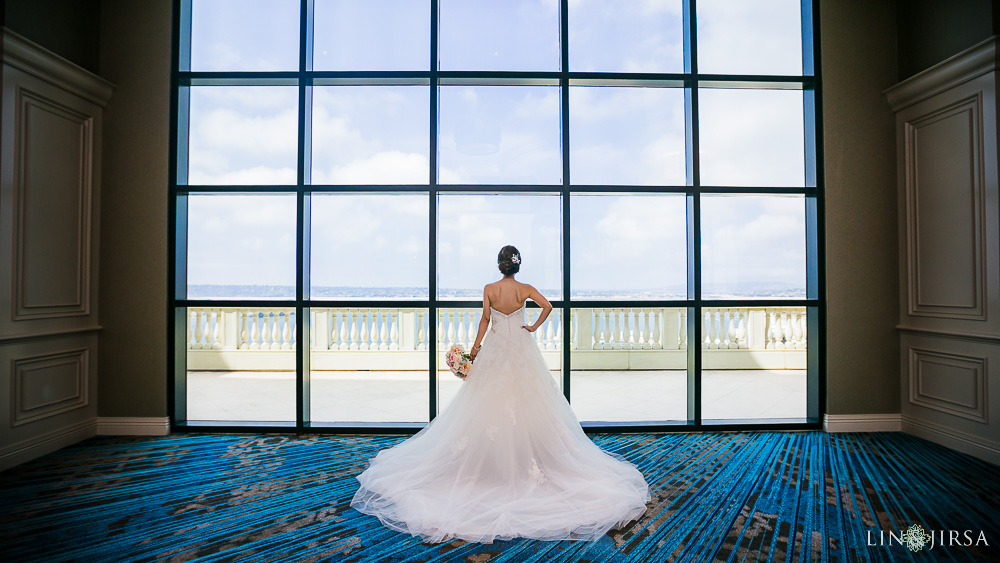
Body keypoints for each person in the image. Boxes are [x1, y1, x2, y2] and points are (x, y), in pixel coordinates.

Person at [350, 245, 650, 544]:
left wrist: (475, 349)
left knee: (484, 406)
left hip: (495, 348)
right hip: (521, 347)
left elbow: (484, 319)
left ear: (499, 265)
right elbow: (548, 306)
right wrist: (532, 326)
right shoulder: (525, 289)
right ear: (517, 266)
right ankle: (525, 460)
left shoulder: (490, 289)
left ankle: (489, 465)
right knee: (531, 402)